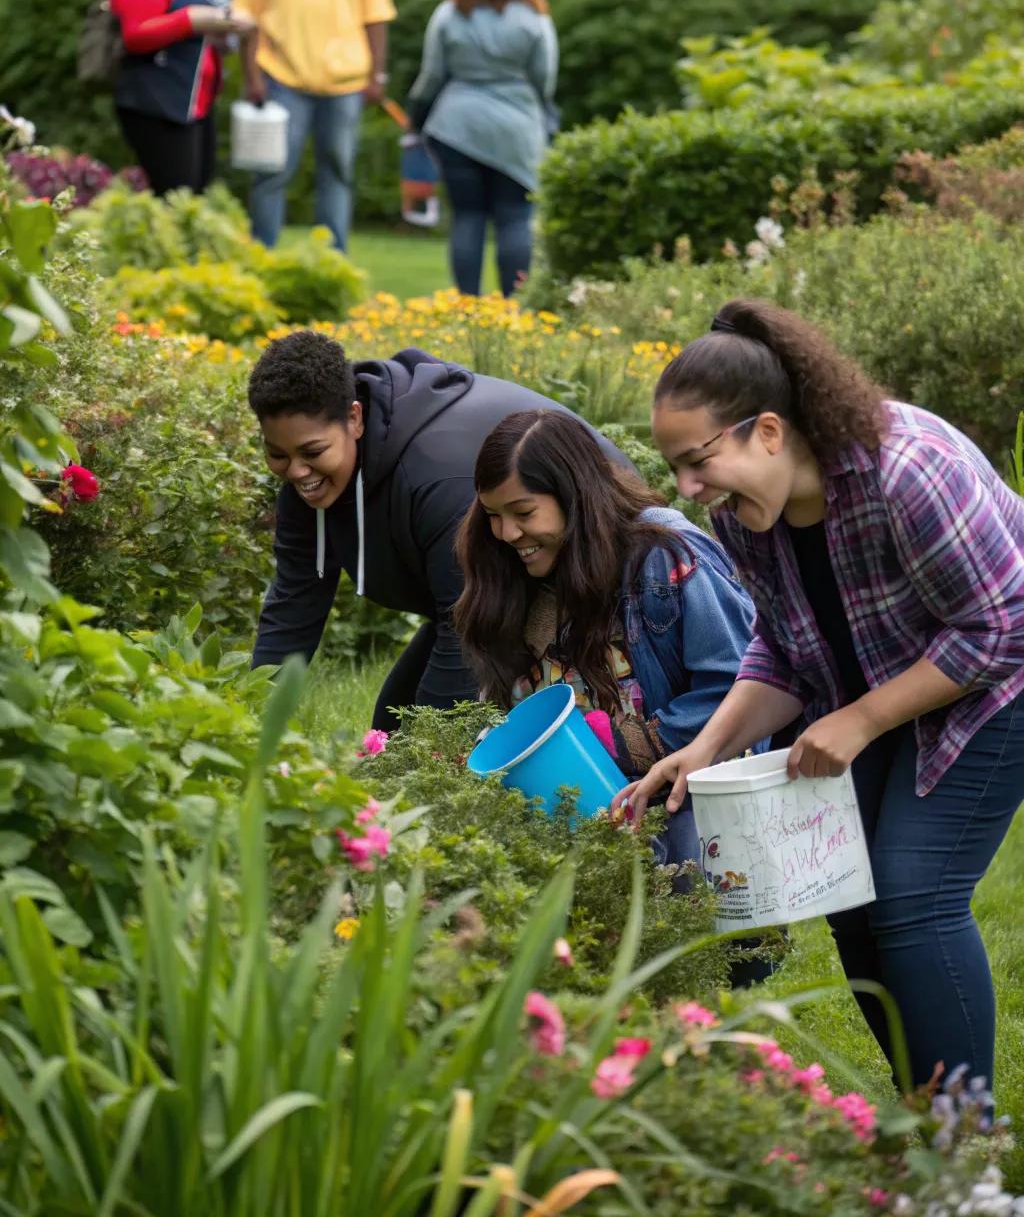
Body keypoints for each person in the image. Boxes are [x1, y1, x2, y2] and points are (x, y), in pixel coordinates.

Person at [614, 298, 1024, 1093]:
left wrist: (863, 718)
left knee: (913, 895)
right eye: (676, 469)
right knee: (846, 891)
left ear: (767, 431)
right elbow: (783, 647)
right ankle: (924, 1114)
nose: (688, 488)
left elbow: (1004, 626)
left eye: (697, 460)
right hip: (887, 685)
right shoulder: (745, 516)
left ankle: (966, 1146)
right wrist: (701, 751)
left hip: (1000, 684)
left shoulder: (907, 472)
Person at [248, 330, 631, 731]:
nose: (295, 471)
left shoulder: (434, 476)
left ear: (354, 418)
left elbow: (466, 633)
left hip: (593, 570)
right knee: (389, 732)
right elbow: (292, 610)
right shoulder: (308, 487)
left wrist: (426, 753)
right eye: (277, 455)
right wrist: (248, 722)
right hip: (494, 589)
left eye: (312, 452)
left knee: (423, 742)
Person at [452, 409, 756, 869]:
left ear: (575, 497)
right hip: (575, 833)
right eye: (493, 515)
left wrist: (605, 740)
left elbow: (740, 686)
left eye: (524, 512)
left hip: (688, 817)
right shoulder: (506, 574)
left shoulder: (664, 555)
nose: (508, 533)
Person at [232, 0, 396, 251]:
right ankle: (262, 256)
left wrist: (377, 75)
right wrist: (252, 76)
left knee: (338, 172)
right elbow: (243, 19)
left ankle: (332, 260)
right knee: (272, 172)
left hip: (344, 82)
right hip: (281, 78)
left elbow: (375, 13)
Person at [407, 0, 557, 298]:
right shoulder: (534, 18)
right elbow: (545, 78)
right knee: (515, 218)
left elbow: (431, 75)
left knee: (468, 216)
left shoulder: (449, 14)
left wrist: (417, 116)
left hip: (456, 126)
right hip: (517, 129)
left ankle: (468, 305)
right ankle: (512, 305)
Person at [111, 0, 253, 195]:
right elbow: (135, 35)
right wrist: (191, 20)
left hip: (196, 105)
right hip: (158, 106)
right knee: (176, 198)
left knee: (195, 195)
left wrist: (227, 30)